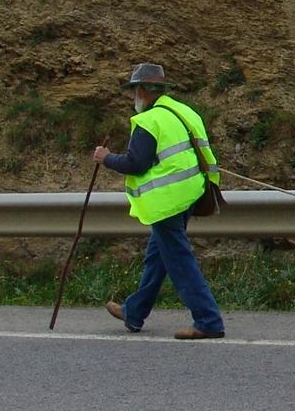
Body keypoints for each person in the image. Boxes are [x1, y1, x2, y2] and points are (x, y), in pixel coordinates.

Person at [92, 63, 226, 340]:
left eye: (134, 91)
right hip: (193, 192)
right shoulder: (185, 112)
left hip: (167, 200)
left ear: (142, 90)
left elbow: (136, 163)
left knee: (178, 260)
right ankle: (134, 311)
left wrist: (106, 158)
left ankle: (208, 320)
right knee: (158, 256)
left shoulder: (148, 121)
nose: (134, 97)